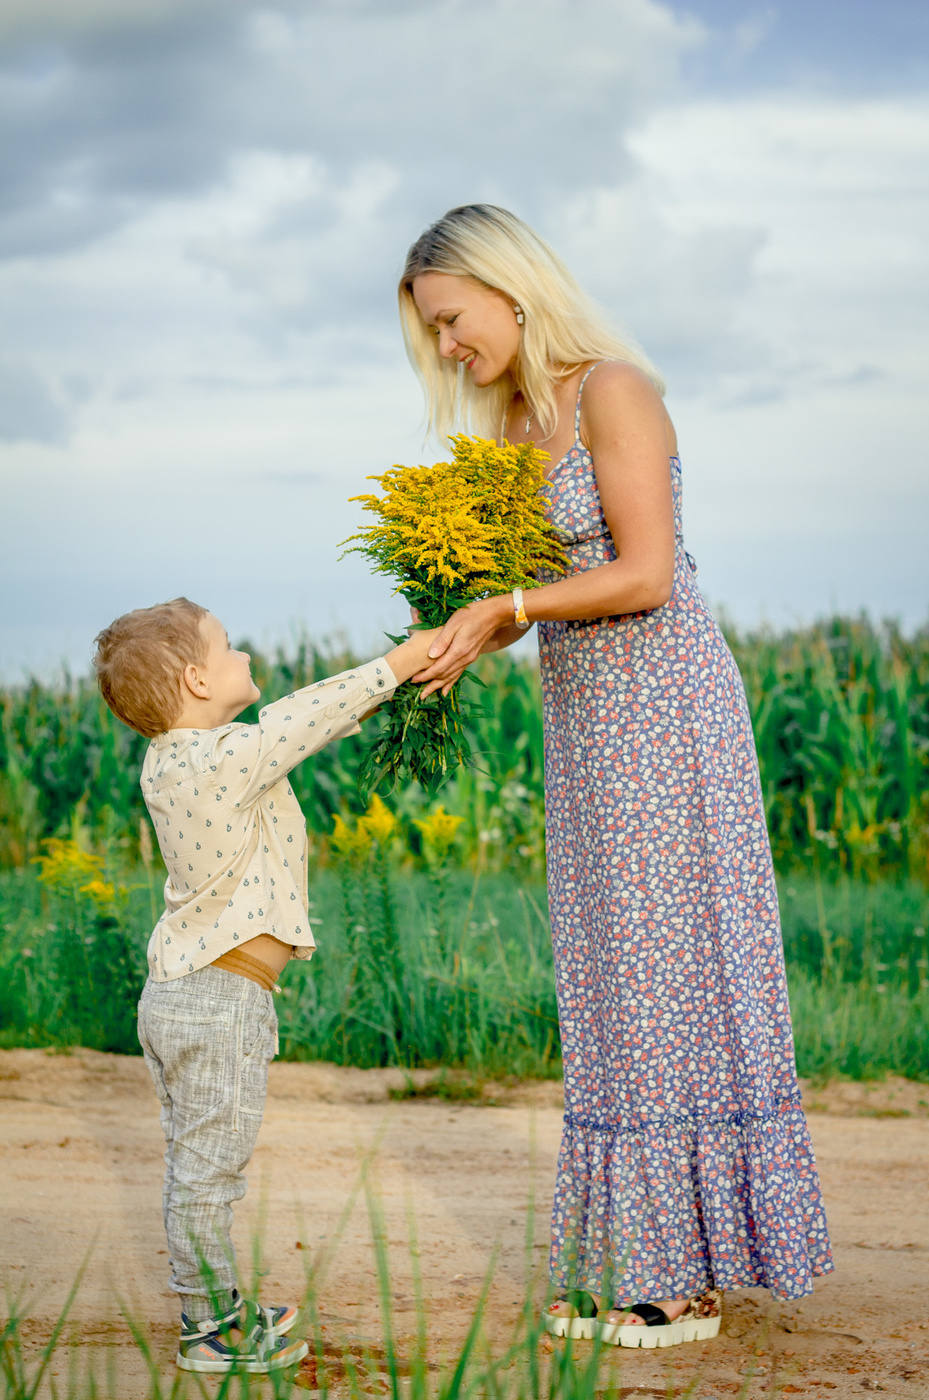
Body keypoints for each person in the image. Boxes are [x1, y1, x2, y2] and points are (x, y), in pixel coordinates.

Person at [398, 204, 833, 1348]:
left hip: (666, 705)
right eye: (433, 334)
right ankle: (639, 1256)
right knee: (608, 978)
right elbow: (509, 596)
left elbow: (641, 572)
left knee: (668, 969)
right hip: (588, 721)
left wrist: (511, 605)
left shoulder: (613, 391)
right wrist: (452, 644)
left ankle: (680, 1283)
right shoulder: (507, 427)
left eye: (450, 320)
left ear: (506, 286)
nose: (448, 348)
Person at [93, 598, 439, 1372]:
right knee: (206, 1176)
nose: (241, 651)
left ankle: (218, 1307)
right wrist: (399, 663)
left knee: (200, 1167)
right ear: (194, 677)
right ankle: (210, 1330)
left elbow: (298, 734)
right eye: (226, 646)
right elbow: (297, 720)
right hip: (215, 1002)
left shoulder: (196, 758)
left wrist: (400, 685)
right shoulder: (210, 760)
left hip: (204, 994)